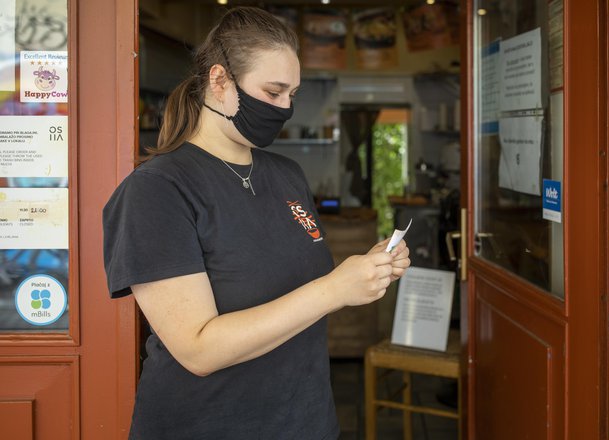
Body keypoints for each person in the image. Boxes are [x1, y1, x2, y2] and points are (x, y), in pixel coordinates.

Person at [103, 6, 410, 439]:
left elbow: (299, 292)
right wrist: (334, 288)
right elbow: (198, 349)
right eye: (273, 92)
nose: (285, 108)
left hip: (306, 422)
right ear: (219, 81)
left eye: (293, 95)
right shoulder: (157, 191)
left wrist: (365, 271)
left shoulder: (286, 175)